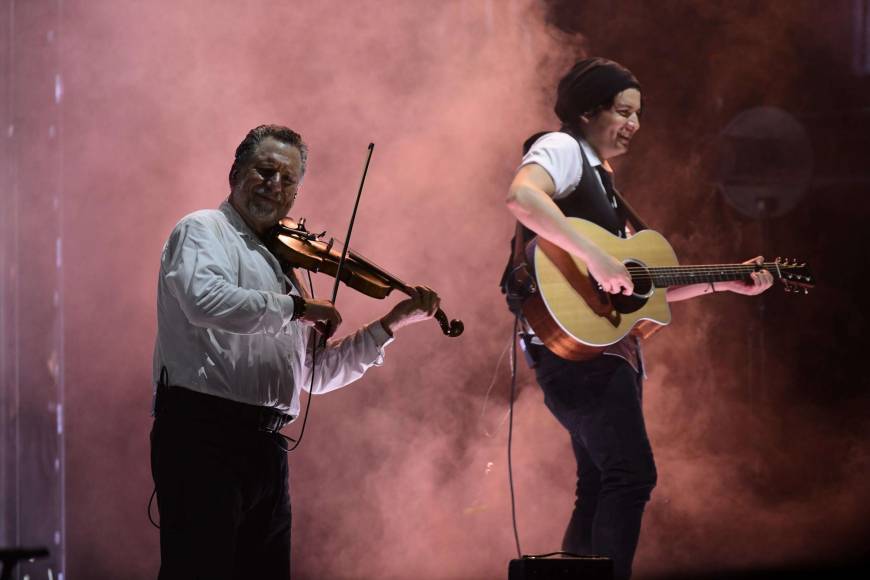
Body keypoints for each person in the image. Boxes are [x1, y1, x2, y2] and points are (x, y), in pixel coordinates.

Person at [503, 58, 773, 579]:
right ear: (587, 111)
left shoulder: (604, 188)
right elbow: (522, 197)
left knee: (603, 480)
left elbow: (645, 292)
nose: (634, 125)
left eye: (638, 114)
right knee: (631, 474)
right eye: (624, 111)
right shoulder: (562, 149)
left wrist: (729, 279)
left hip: (600, 353)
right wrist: (598, 257)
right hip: (580, 354)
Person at [150, 124, 440, 580]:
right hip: (205, 436)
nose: (275, 186)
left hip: (267, 447)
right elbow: (206, 302)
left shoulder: (286, 266)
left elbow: (315, 375)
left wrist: (390, 325)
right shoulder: (202, 229)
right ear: (236, 172)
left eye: (288, 180)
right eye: (265, 172)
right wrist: (297, 306)